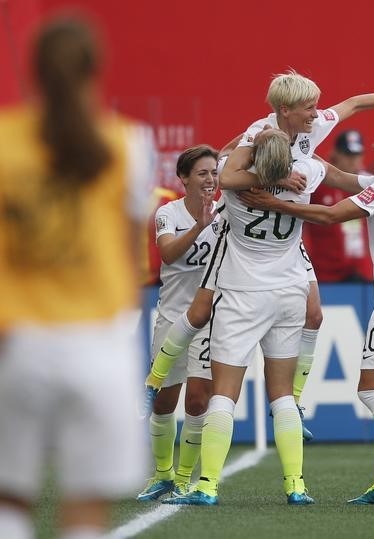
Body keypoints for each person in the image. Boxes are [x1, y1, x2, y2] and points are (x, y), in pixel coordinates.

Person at [144, 72, 374, 443]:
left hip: (286, 240)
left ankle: (293, 400)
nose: (318, 114)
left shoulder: (312, 133)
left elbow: (354, 104)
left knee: (315, 312)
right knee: (200, 312)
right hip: (246, 237)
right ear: (286, 110)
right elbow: (227, 176)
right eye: (310, 107)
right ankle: (154, 382)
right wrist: (278, 179)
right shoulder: (260, 133)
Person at [242, 117, 374, 506]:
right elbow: (342, 179)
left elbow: (331, 215)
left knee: (370, 391)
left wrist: (272, 202)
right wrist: (303, 154)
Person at [0, 18, 153, 539]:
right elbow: (133, 257)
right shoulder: (128, 144)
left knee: (10, 502)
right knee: (85, 513)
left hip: (17, 342)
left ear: (34, 71)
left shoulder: (4, 141)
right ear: (96, 70)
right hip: (100, 344)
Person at [136, 145, 220, 502]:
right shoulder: (167, 213)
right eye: (202, 173)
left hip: (209, 320)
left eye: (214, 173)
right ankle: (163, 475)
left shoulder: (228, 212)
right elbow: (168, 253)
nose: (210, 180)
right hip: (173, 316)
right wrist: (199, 226)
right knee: (163, 402)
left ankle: (185, 478)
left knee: (198, 401)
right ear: (184, 178)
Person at [305, 129, 371, 282]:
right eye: (348, 155)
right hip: (325, 273)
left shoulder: (368, 184)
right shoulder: (317, 182)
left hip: (360, 272)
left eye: (357, 155)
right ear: (336, 154)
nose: (353, 161)